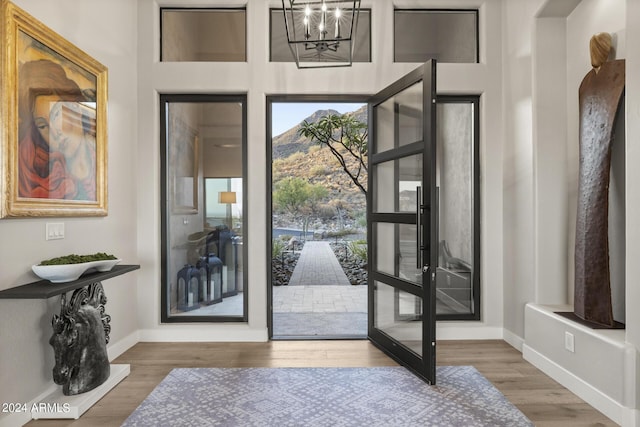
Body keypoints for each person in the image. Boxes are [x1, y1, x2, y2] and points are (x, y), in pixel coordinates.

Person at [18, 59, 96, 200]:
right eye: (43, 126)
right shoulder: (49, 180)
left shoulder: (99, 155)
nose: (55, 133)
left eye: (56, 114)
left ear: (76, 107)